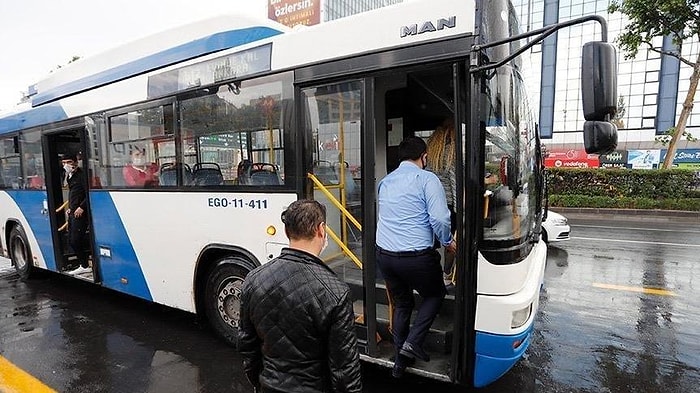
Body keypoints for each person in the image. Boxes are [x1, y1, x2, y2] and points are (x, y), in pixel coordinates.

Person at [238, 199, 362, 393]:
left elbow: (247, 346)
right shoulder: (336, 291)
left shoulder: (254, 279)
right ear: (321, 230)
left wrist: (261, 382)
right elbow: (344, 368)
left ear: (287, 231)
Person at [376, 136, 456, 378]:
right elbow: (440, 219)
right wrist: (447, 241)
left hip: (385, 256)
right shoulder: (427, 179)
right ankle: (412, 343)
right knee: (435, 294)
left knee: (402, 303)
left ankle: (401, 360)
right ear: (424, 157)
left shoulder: (386, 181)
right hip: (417, 258)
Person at [426, 119, 457, 282]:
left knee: (432, 240)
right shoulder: (450, 152)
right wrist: (460, 211)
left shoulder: (431, 153)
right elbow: (454, 183)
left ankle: (432, 272)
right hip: (448, 204)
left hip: (431, 203)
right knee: (450, 242)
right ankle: (447, 275)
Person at [62, 154, 90, 270]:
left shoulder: (82, 175)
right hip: (73, 211)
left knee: (76, 240)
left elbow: (88, 192)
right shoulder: (69, 176)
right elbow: (74, 194)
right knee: (71, 240)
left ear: (75, 162)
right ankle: (82, 263)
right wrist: (70, 207)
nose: (66, 165)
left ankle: (84, 265)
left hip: (81, 212)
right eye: (63, 163)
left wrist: (82, 207)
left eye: (69, 162)